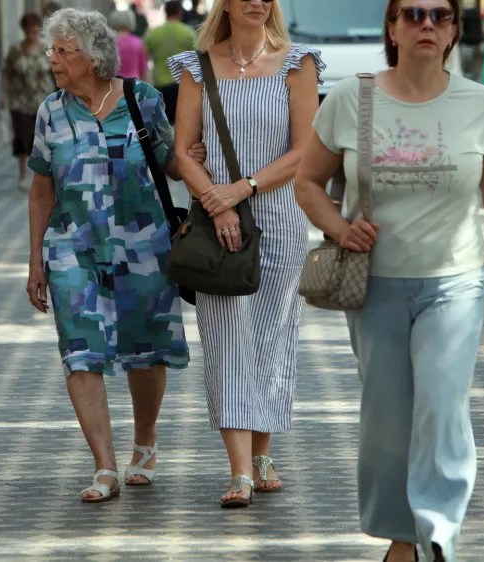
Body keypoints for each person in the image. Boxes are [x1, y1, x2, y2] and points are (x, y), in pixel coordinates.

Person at [294, 1, 484, 560]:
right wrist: (340, 228)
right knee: (388, 417)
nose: (426, 25)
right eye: (412, 14)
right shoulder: (350, 99)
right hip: (377, 285)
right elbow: (308, 183)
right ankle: (400, 535)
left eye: (440, 15)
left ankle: (435, 532)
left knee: (441, 403)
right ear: (392, 28)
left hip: (454, 283)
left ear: (456, 29)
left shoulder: (480, 104)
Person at [26, 8, 206, 503]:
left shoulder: (141, 98)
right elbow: (40, 191)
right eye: (53, 50)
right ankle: (104, 466)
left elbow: (172, 160)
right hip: (72, 248)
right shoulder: (50, 112)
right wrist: (35, 260)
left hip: (143, 244)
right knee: (80, 353)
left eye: (65, 51)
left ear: (94, 55)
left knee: (145, 351)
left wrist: (203, 170)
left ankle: (144, 444)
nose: (54, 60)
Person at [168, 0, 324, 508]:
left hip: (279, 218)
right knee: (226, 337)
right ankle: (239, 471)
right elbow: (182, 150)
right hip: (218, 221)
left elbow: (306, 150)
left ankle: (262, 454)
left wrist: (242, 189)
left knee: (273, 336)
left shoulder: (298, 65)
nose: (256, 2)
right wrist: (217, 202)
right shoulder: (197, 67)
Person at [2, 12, 56, 188]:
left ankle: (42, 175)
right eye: (28, 31)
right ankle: (23, 175)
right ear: (24, 31)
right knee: (22, 138)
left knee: (42, 139)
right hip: (20, 101)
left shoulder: (47, 50)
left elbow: (57, 72)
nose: (32, 34)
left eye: (35, 30)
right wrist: (3, 97)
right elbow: (6, 73)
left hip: (43, 101)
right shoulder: (15, 51)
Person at [144, 1, 198, 123]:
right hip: (183, 85)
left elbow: (144, 57)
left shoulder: (153, 33)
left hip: (160, 84)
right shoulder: (189, 33)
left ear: (165, 12)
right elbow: (198, 60)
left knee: (163, 122)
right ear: (180, 13)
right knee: (182, 122)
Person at [109, 10, 149, 81]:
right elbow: (143, 69)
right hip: (134, 84)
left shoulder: (109, 42)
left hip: (114, 83)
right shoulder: (138, 42)